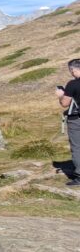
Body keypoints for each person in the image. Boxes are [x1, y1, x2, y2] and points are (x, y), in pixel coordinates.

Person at [55, 58, 80, 186]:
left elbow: (65, 104)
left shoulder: (73, 84)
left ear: (73, 69)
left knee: (77, 147)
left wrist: (60, 95)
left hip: (77, 120)